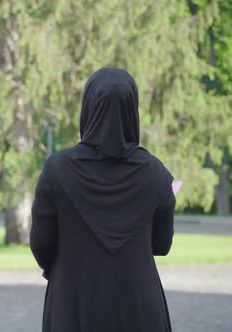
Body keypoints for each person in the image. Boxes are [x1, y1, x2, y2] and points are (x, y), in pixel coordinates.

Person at [30, 67, 176, 332]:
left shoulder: (57, 170)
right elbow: (162, 244)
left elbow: (41, 244)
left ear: (88, 107)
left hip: (72, 302)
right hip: (139, 307)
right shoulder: (156, 174)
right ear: (133, 109)